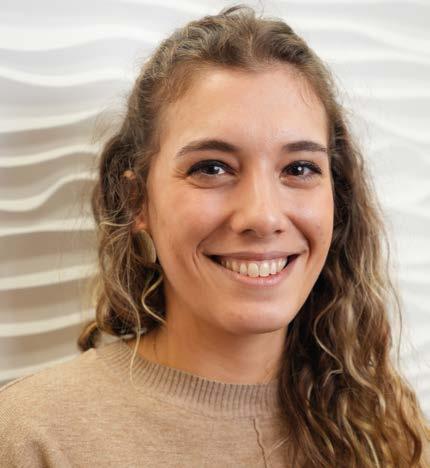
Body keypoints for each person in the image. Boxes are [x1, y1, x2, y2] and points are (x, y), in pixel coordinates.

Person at [1, 4, 429, 467]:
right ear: (137, 201)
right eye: (211, 168)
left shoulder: (388, 428)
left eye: (299, 168)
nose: (263, 216)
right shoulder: (33, 436)